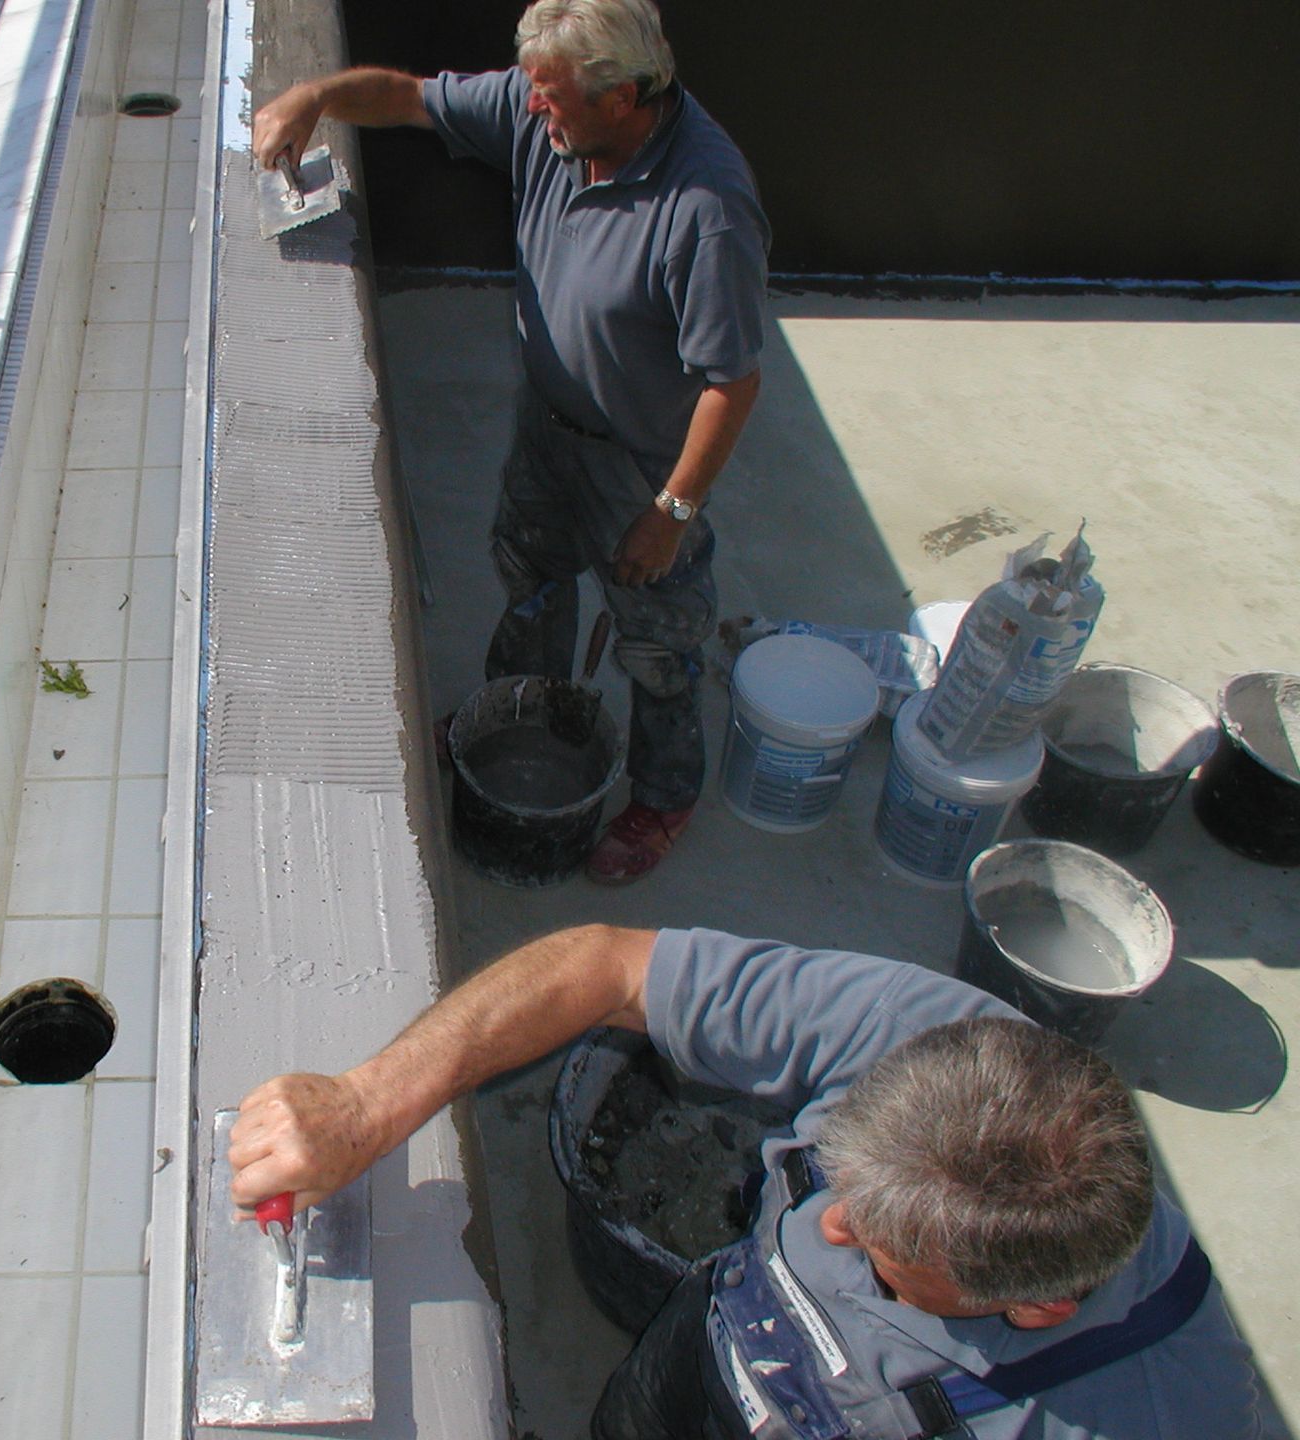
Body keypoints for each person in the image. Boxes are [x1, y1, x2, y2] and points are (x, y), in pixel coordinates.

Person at [229, 926, 1265, 1438]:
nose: (829, 1229)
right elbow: (608, 966)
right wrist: (369, 1104)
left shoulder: (1164, 1410)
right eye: (842, 1184)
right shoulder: (941, 1037)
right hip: (704, 1354)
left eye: (891, 1262)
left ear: (1036, 1305)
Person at [254, 0, 772, 885]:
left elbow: (733, 382)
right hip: (548, 426)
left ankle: (663, 797)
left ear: (625, 97)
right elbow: (410, 98)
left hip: (642, 466)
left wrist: (672, 511)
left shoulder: (706, 208)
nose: (534, 110)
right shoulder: (547, 114)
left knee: (658, 645)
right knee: (531, 576)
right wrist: (314, 95)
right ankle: (520, 712)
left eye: (554, 97)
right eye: (531, 90)